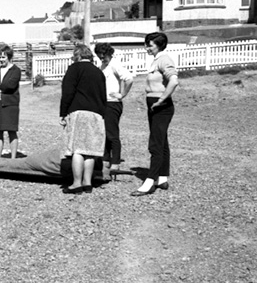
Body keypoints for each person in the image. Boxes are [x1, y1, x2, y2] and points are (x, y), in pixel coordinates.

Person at [132, 32, 179, 197]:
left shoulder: (164, 60)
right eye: (146, 44)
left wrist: (161, 99)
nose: (147, 48)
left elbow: (174, 80)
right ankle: (162, 178)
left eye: (150, 45)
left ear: (159, 45)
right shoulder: (157, 60)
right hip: (155, 104)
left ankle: (150, 181)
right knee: (162, 142)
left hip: (161, 106)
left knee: (155, 144)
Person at [59, 44, 107, 194]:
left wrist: (63, 113)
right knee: (89, 150)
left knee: (77, 149)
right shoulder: (99, 72)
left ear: (77, 56)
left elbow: (68, 92)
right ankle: (88, 183)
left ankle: (76, 183)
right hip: (96, 114)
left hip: (79, 112)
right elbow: (103, 96)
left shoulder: (74, 69)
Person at [94, 43, 134, 176]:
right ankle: (106, 159)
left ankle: (115, 161)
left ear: (109, 54)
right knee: (104, 132)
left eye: (104, 56)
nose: (102, 58)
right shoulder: (103, 66)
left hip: (113, 103)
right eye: (100, 57)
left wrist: (122, 94)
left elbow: (129, 79)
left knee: (112, 133)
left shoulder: (115, 64)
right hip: (104, 102)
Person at [0, 143, 104, 182]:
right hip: (57, 159)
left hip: (57, 160)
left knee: (23, 163)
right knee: (23, 163)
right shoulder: (92, 160)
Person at [0, 43, 21, 158]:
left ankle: (13, 158)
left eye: (3, 57)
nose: (1, 60)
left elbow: (10, 85)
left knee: (11, 131)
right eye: (0, 57)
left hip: (10, 105)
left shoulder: (16, 70)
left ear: (9, 57)